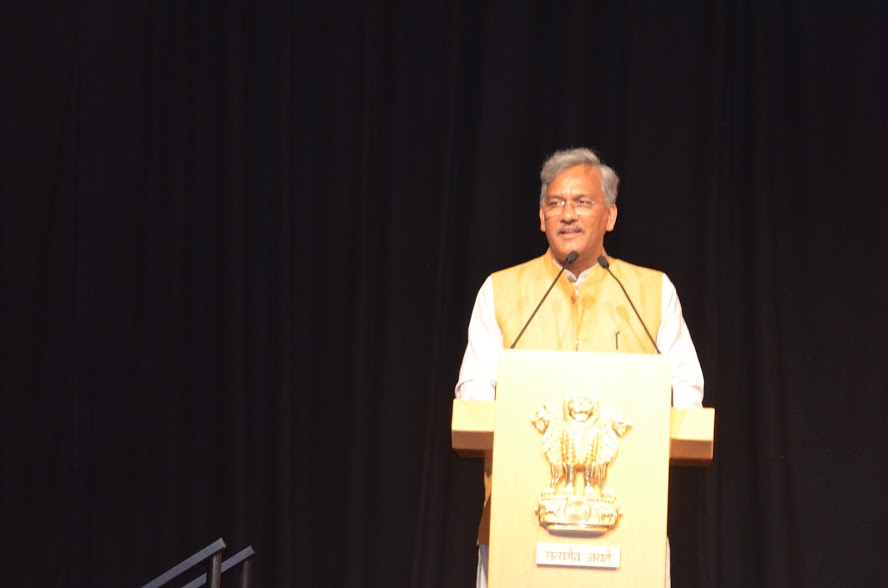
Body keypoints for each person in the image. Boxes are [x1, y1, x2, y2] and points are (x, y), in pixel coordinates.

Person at [455, 147, 704, 587]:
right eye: (555, 203)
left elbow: (687, 393)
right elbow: (473, 394)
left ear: (609, 215)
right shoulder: (500, 291)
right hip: (518, 524)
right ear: (540, 216)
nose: (567, 213)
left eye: (582, 202)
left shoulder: (650, 292)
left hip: (628, 529)